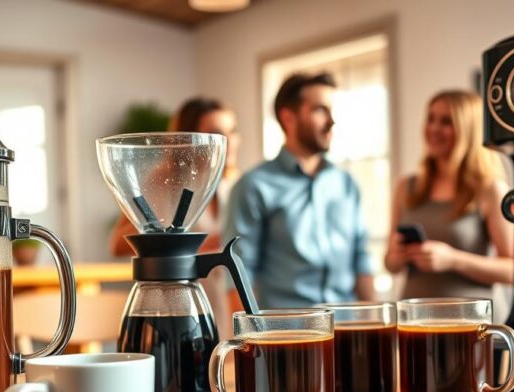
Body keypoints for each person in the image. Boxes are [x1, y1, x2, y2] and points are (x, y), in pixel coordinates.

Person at [223, 72, 374, 309]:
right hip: (288, 333)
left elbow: (361, 261)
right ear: (289, 117)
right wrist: (249, 343)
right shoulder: (254, 186)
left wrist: (376, 326)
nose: (331, 121)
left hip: (347, 329)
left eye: (332, 110)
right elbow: (239, 274)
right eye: (320, 110)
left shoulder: (346, 185)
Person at [108, 97, 240, 336]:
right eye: (216, 132)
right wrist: (192, 244)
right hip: (182, 304)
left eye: (233, 131)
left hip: (228, 300)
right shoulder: (163, 185)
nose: (228, 142)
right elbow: (117, 243)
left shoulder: (236, 186)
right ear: (188, 138)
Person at [384, 90, 514, 301]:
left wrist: (453, 260)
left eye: (446, 121)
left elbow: (513, 270)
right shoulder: (406, 187)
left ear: (468, 130)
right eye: (430, 119)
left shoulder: (490, 190)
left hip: (470, 322)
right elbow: (390, 264)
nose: (434, 129)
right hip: (414, 321)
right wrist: (397, 256)